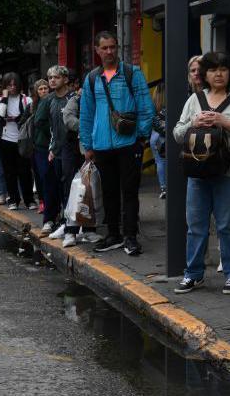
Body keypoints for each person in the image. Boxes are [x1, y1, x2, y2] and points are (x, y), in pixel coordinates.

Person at [172, 52, 230, 295]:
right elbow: (177, 134)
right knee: (196, 225)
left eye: (223, 69)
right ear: (204, 74)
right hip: (198, 169)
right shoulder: (194, 100)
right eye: (212, 70)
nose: (218, 74)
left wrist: (225, 122)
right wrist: (194, 123)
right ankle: (193, 274)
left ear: (229, 73)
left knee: (226, 224)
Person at [79, 30, 154, 256]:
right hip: (101, 146)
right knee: (109, 192)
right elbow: (87, 113)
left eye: (113, 47)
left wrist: (141, 137)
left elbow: (145, 106)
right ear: (97, 50)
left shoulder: (132, 73)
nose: (109, 51)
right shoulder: (92, 78)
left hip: (129, 143)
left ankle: (130, 237)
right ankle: (113, 235)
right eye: (105, 48)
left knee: (129, 192)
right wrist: (87, 144)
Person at [59, 76, 101, 246]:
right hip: (74, 149)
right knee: (74, 189)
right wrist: (86, 129)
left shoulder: (100, 100)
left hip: (92, 148)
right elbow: (68, 118)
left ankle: (89, 230)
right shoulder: (76, 99)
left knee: (90, 191)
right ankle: (70, 231)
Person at [0, 73, 36, 210]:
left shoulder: (26, 99)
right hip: (6, 139)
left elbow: (31, 116)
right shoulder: (0, 99)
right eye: (9, 85)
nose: (12, 87)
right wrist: (5, 97)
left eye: (14, 84)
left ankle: (29, 200)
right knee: (9, 172)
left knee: (25, 171)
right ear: (5, 86)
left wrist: (18, 118)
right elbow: (0, 114)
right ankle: (13, 199)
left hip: (23, 140)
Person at [37, 67, 71, 234]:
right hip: (53, 150)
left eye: (56, 77)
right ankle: (50, 219)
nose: (52, 80)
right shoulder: (48, 100)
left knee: (69, 187)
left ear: (65, 79)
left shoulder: (74, 98)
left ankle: (69, 222)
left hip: (72, 149)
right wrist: (52, 135)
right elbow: (39, 121)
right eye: (49, 77)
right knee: (51, 185)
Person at [31, 78, 51, 213]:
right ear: (36, 92)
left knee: (50, 176)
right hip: (38, 145)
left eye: (45, 88)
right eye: (41, 89)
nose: (44, 91)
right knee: (41, 175)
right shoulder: (33, 106)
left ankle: (50, 202)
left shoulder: (52, 101)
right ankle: (43, 202)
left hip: (51, 145)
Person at [150, 86, 167, 200]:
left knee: (159, 162)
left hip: (154, 136)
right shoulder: (168, 107)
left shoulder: (154, 106)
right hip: (164, 137)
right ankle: (167, 187)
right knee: (165, 162)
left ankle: (163, 188)